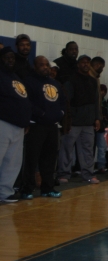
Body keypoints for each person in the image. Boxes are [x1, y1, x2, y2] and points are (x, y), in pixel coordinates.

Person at [20, 57, 67, 199]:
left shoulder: (55, 83)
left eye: (47, 65)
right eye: (41, 65)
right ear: (35, 67)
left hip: (52, 127)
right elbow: (27, 102)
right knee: (31, 159)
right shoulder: (28, 82)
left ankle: (47, 188)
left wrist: (61, 113)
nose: (45, 67)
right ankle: (27, 189)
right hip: (36, 125)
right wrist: (41, 114)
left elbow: (62, 101)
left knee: (50, 159)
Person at [58, 55, 101, 185]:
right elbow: (66, 102)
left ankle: (88, 174)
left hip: (88, 122)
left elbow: (96, 101)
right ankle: (64, 174)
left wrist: (97, 118)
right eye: (83, 62)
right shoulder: (71, 81)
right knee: (67, 148)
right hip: (73, 122)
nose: (86, 64)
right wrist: (67, 120)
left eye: (88, 62)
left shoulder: (93, 81)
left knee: (88, 150)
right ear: (78, 64)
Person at [0, 47, 31, 203]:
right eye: (7, 57)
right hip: (3, 123)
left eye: (12, 57)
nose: (10, 60)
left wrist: (25, 120)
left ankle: (5, 192)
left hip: (19, 126)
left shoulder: (16, 77)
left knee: (12, 162)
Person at [95, 84, 108, 174]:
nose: (102, 93)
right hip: (96, 127)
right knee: (95, 148)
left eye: (104, 91)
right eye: (101, 91)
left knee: (102, 148)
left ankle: (101, 166)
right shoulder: (100, 103)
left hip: (101, 128)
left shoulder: (105, 103)